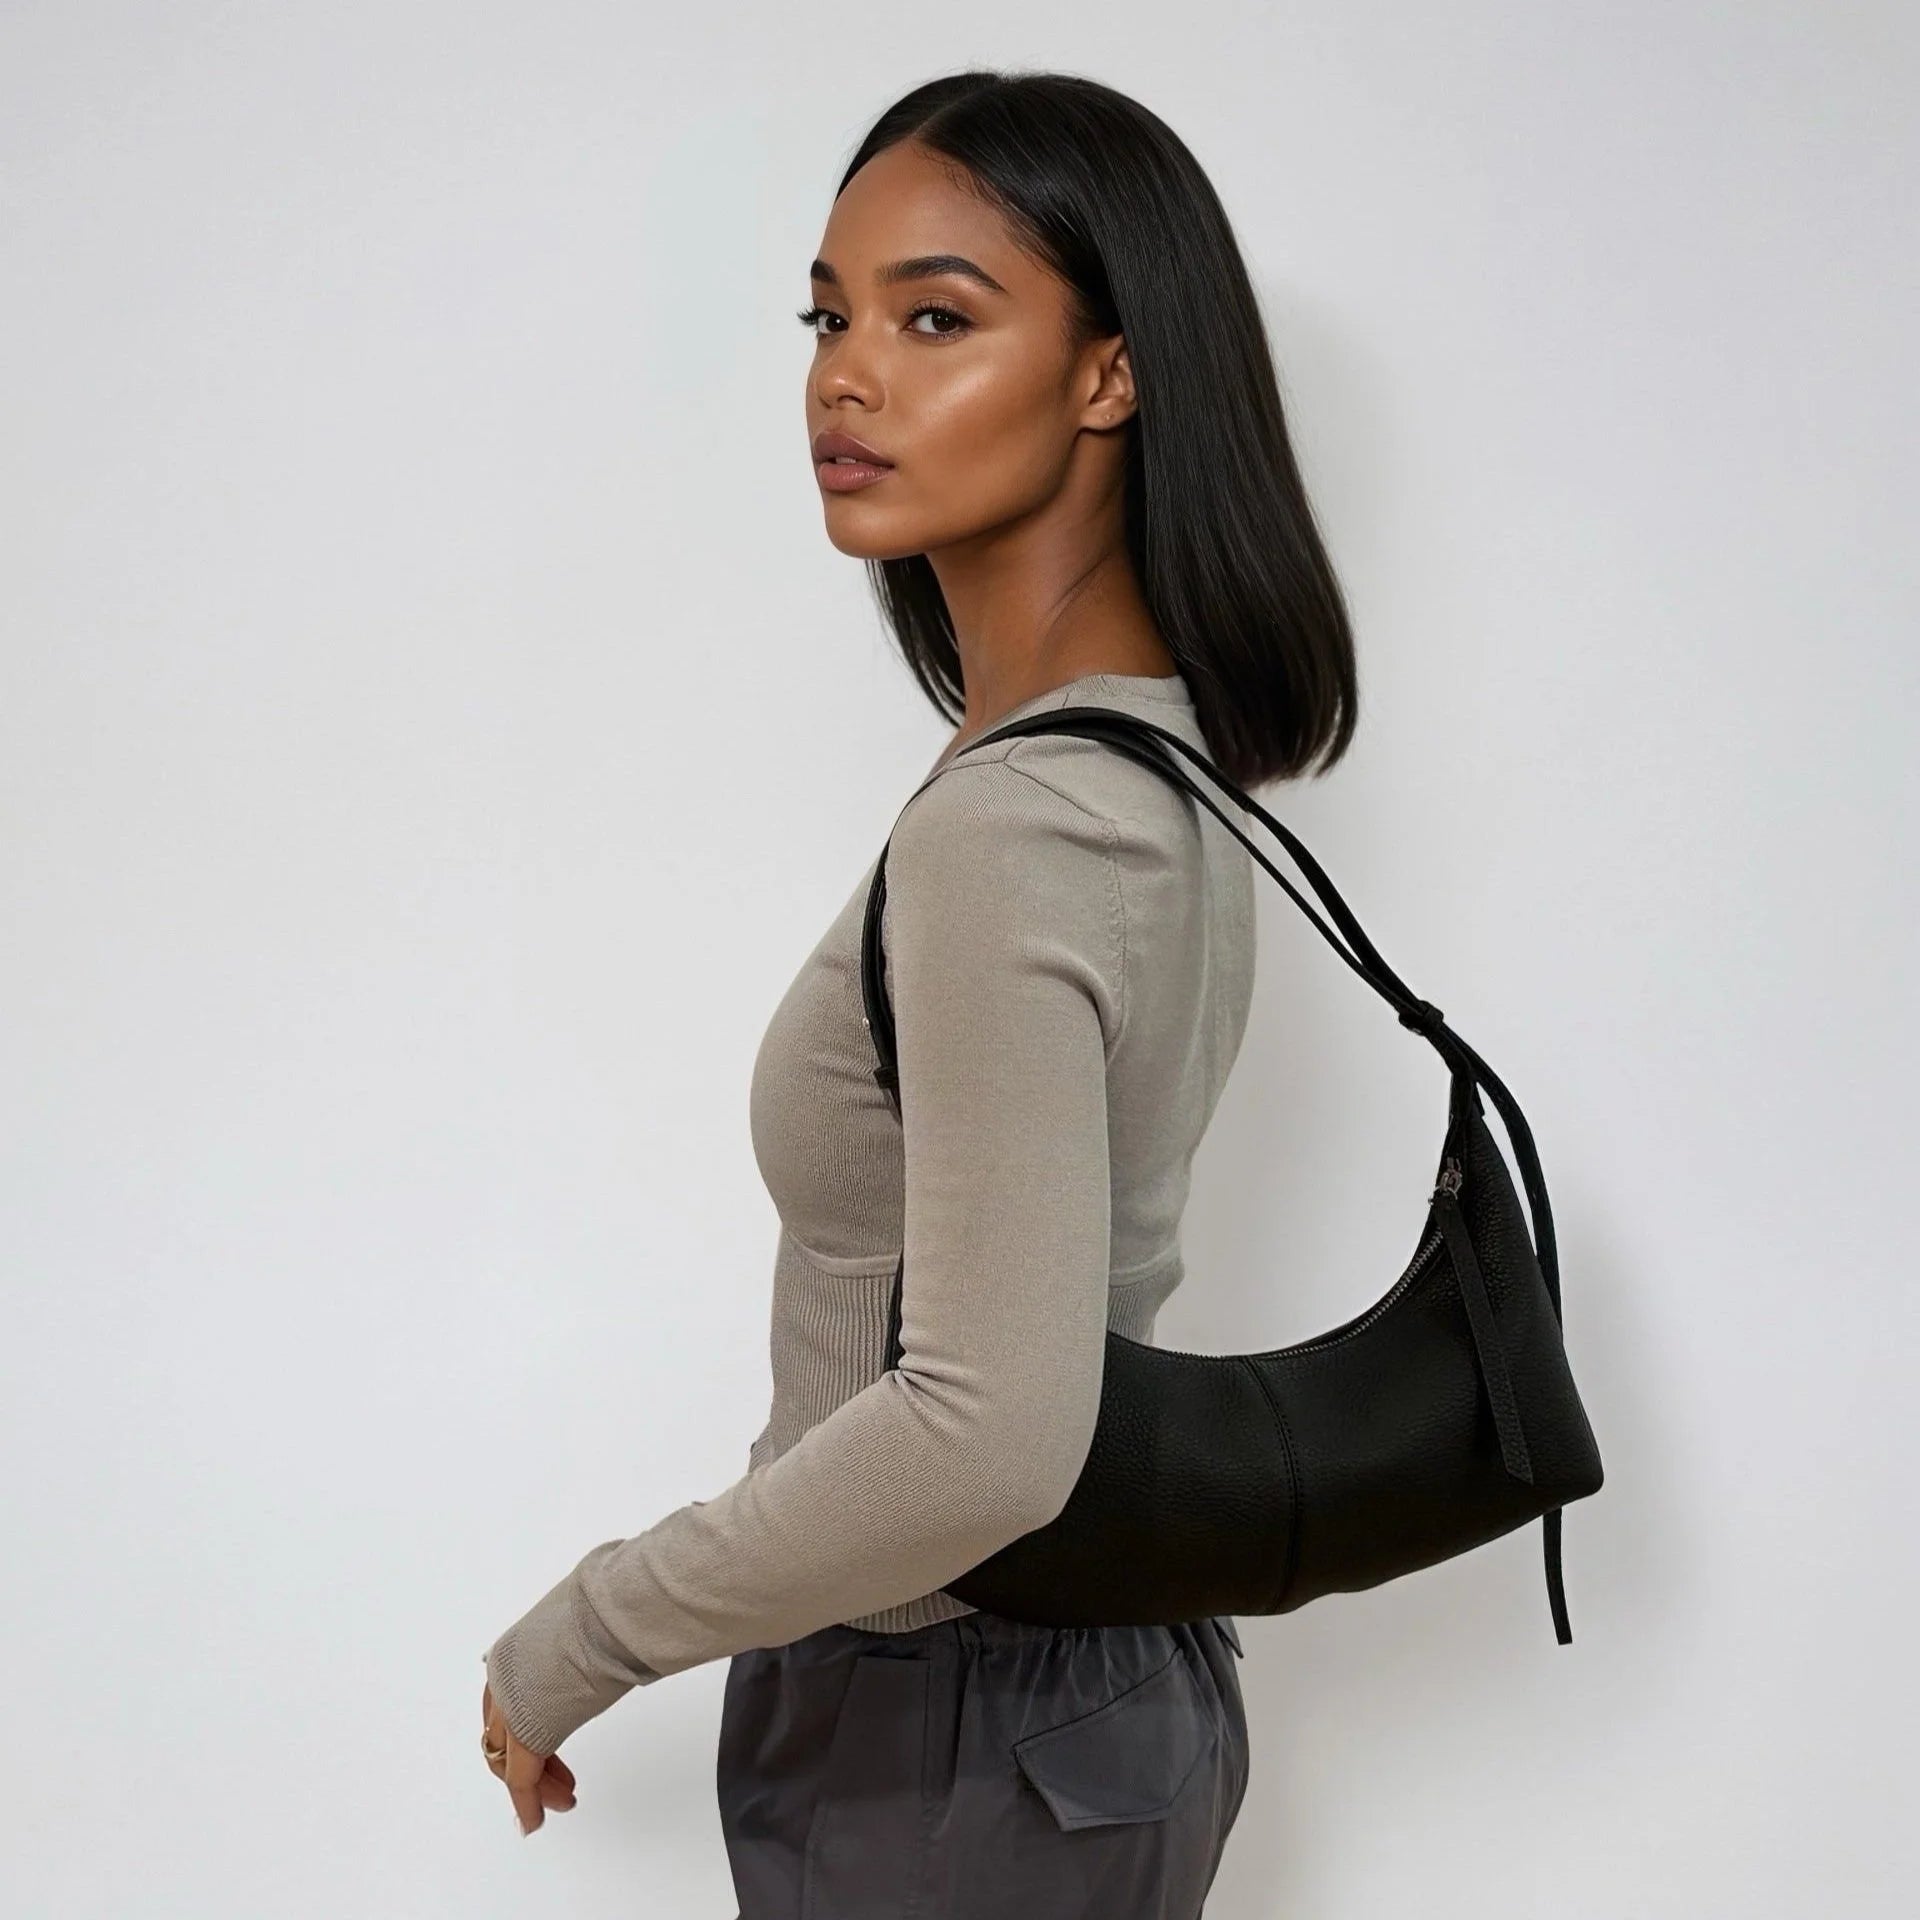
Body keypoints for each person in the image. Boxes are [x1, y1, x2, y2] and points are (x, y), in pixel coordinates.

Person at [479, 66, 1358, 1918]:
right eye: (829, 314)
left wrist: (588, 1630)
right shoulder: (1157, 768)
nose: (844, 374)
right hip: (1073, 1699)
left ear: (1111, 374)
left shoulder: (1018, 829)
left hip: (961, 1724)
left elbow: (983, 1429)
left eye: (936, 317)